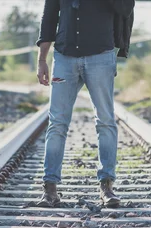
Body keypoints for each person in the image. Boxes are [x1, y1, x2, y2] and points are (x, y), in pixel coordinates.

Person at [36, 0, 135, 208]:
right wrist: (42, 60)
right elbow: (49, 18)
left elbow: (125, 8)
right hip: (64, 58)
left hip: (101, 56)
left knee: (106, 120)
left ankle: (106, 186)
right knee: (57, 123)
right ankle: (50, 189)